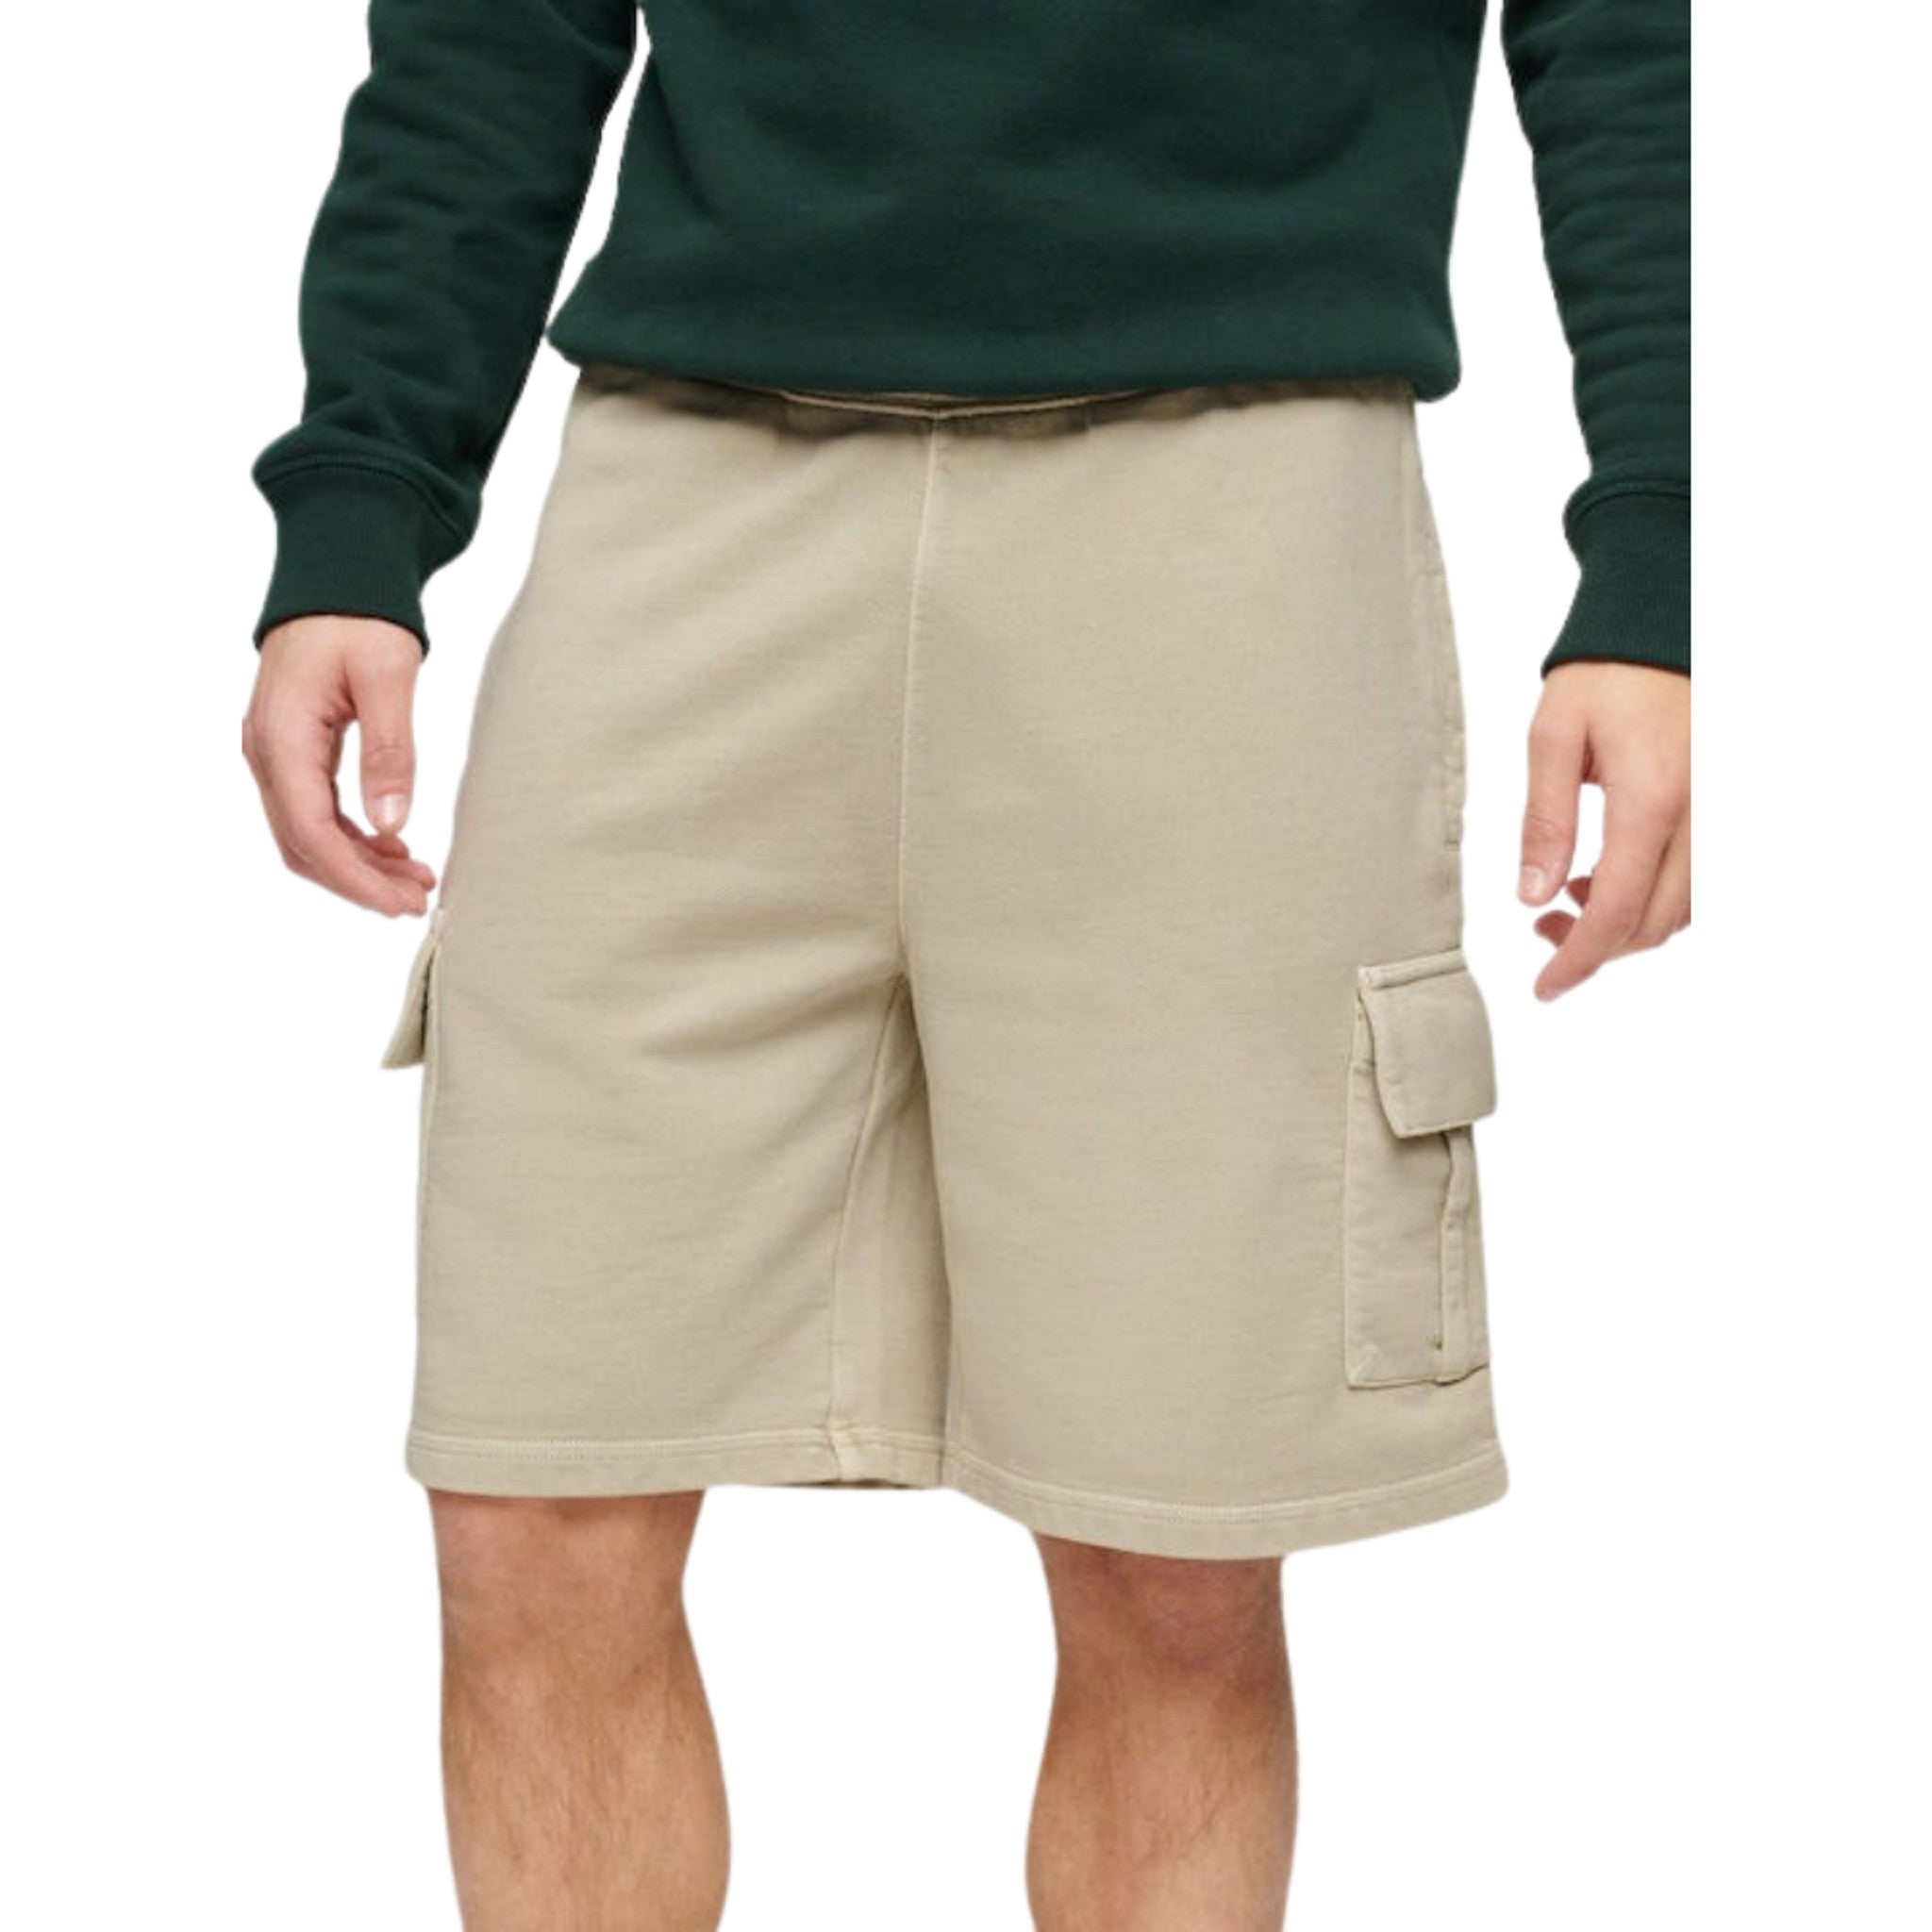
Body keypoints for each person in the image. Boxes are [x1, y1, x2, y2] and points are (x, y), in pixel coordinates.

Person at [241, 0, 1690, 1923]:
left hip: (1232, 469)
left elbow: (1627, 41)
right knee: (534, 1494)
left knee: (1174, 1548)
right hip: (688, 470)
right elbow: (493, 34)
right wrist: (361, 506)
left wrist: (1664, 556)